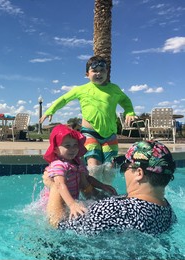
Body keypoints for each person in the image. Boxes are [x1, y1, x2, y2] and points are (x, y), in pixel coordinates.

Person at [43, 140, 177, 235]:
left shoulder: (114, 210)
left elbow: (57, 224)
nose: (124, 172)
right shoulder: (168, 211)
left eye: (125, 167)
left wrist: (54, 186)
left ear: (139, 173)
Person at [39, 55, 137, 185]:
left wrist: (129, 111)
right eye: (94, 71)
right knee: (94, 166)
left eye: (102, 71)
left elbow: (125, 101)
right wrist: (50, 110)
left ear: (107, 72)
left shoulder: (114, 89)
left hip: (110, 135)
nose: (98, 74)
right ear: (87, 74)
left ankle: (107, 194)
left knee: (109, 168)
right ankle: (93, 193)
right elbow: (64, 99)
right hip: (90, 134)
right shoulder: (82, 89)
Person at [41, 124, 117, 227]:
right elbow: (60, 185)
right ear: (55, 149)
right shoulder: (58, 164)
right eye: (67, 146)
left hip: (69, 200)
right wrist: (72, 204)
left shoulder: (77, 162)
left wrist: (102, 186)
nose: (72, 149)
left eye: (75, 145)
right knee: (57, 222)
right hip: (57, 203)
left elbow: (88, 178)